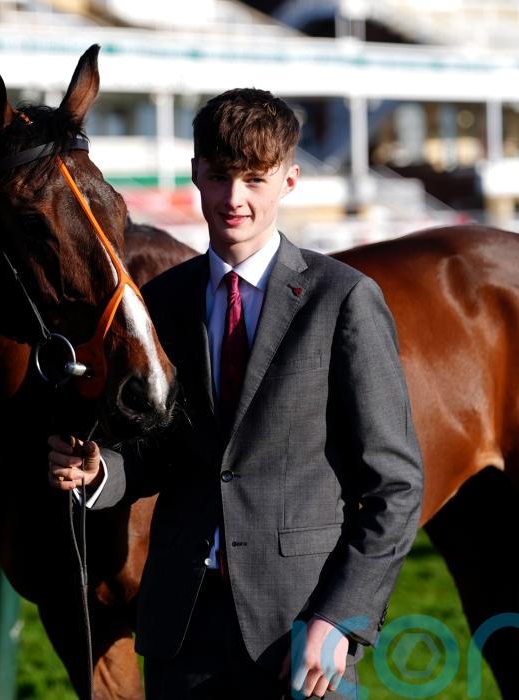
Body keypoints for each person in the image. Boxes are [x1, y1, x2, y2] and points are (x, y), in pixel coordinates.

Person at [48, 88, 423, 699]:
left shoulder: (343, 300)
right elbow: (158, 453)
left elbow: (396, 487)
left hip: (302, 631)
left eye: (254, 179)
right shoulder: (164, 300)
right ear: (197, 173)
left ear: (289, 180)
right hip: (181, 629)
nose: (234, 198)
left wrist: (340, 619)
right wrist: (100, 472)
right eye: (220, 176)